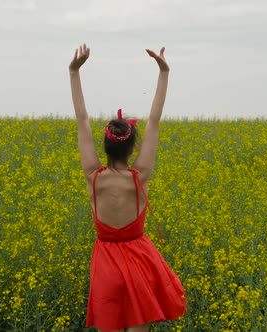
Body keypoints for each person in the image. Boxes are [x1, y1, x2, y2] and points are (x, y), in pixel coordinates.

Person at [69, 43, 187, 332]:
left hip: (106, 264)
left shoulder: (93, 177)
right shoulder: (140, 176)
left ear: (105, 145)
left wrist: (74, 71)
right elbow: (155, 121)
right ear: (132, 147)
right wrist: (164, 72)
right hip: (139, 262)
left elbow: (82, 119)